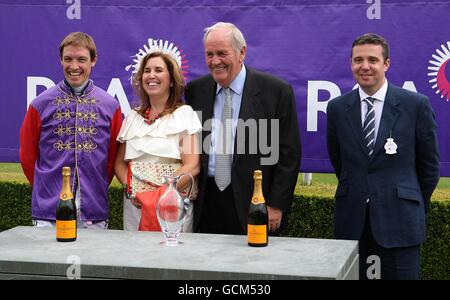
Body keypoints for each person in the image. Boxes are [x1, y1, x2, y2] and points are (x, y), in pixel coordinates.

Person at [326, 33, 440, 279]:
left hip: (401, 225)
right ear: (351, 64)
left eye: (372, 60)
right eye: (358, 60)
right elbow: (339, 162)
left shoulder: (415, 105)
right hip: (352, 225)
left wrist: (409, 203)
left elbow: (429, 167)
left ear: (386, 64)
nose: (364, 66)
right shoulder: (337, 109)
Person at [185, 22, 301, 235]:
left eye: (222, 53)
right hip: (205, 203)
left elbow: (289, 155)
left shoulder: (276, 92)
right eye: (209, 54)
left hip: (255, 204)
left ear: (242, 52)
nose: (215, 61)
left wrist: (276, 205)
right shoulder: (194, 91)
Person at [20, 32, 123, 229]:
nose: (74, 66)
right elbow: (27, 156)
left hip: (93, 210)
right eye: (68, 59)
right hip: (48, 212)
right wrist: (45, 188)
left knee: (92, 260)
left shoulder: (110, 106)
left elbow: (112, 159)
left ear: (93, 61)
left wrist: (96, 184)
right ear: (60, 60)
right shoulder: (40, 104)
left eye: (81, 59)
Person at [115, 47, 201, 232]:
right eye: (147, 71)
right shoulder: (132, 117)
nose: (151, 75)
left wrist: (161, 195)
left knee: (172, 257)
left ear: (171, 80)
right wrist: (132, 192)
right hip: (136, 206)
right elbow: (119, 164)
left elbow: (192, 165)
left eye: (158, 70)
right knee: (135, 257)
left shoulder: (184, 115)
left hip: (172, 203)